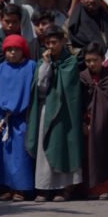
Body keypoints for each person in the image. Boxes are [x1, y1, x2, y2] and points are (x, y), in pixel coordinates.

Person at [26, 25, 84, 202]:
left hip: (65, 113)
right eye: (48, 43)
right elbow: (41, 87)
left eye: (54, 42)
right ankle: (44, 188)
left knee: (64, 147)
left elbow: (70, 89)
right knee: (45, 148)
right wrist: (46, 65)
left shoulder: (70, 63)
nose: (51, 46)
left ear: (62, 42)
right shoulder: (41, 62)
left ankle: (64, 188)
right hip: (47, 110)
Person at [0, 34, 36, 201]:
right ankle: (6, 187)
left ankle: (21, 189)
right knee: (2, 156)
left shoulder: (31, 67)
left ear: (23, 50)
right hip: (2, 119)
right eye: (9, 49)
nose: (12, 53)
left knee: (20, 156)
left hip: (22, 118)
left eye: (16, 49)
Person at [80, 42, 108, 200]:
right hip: (86, 124)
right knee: (88, 157)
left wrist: (99, 122)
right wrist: (83, 123)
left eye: (95, 60)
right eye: (88, 61)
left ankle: (105, 188)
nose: (91, 64)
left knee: (104, 155)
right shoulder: (82, 78)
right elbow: (78, 102)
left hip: (104, 125)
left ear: (102, 59)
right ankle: (90, 189)